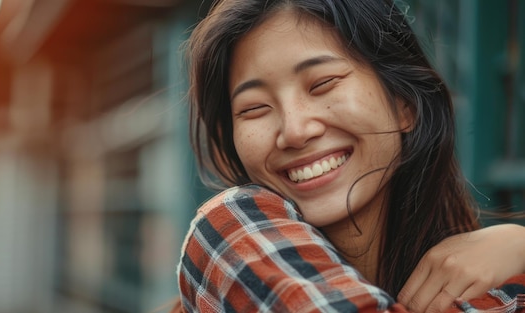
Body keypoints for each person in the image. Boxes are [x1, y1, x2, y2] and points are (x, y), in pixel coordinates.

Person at [175, 0, 525, 312]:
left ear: (405, 104)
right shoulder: (232, 230)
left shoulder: (501, 289)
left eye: (323, 83)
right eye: (254, 108)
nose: (295, 131)